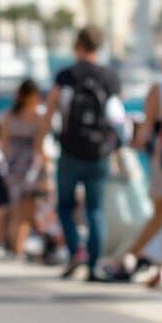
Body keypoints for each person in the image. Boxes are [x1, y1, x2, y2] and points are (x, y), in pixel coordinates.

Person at [36, 26, 126, 282]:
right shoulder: (110, 77)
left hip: (70, 150)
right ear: (99, 47)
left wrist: (40, 143)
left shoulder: (67, 75)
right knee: (95, 209)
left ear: (78, 45)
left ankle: (76, 252)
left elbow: (51, 110)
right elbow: (118, 119)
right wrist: (117, 151)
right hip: (99, 153)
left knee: (65, 206)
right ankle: (94, 264)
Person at [105, 40, 162, 284]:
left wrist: (131, 146)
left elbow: (145, 134)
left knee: (159, 215)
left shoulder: (159, 88)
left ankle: (129, 258)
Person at [0, 79, 48, 257]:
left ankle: (16, 247)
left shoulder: (9, 116)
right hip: (29, 167)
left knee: (20, 209)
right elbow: (39, 146)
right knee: (25, 209)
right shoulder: (38, 117)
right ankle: (18, 247)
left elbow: (4, 144)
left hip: (16, 166)